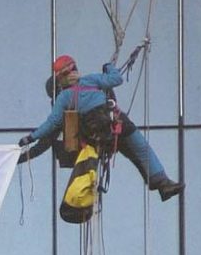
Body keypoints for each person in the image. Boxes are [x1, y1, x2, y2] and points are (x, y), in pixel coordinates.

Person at [20, 55, 182, 200]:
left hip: (96, 137)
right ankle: (161, 183)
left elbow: (51, 124)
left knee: (131, 153)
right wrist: (108, 66)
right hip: (116, 126)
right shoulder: (92, 80)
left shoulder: (64, 98)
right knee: (141, 150)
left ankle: (160, 184)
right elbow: (116, 79)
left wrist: (30, 137)